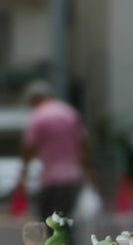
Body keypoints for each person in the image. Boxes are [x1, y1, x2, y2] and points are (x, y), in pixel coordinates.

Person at [17, 80, 92, 222]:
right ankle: (70, 244)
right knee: (66, 221)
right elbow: (82, 144)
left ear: (34, 100)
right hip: (72, 177)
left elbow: (29, 148)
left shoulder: (38, 116)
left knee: (49, 222)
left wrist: (23, 174)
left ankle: (55, 244)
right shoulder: (69, 113)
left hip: (51, 179)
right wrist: (88, 174)